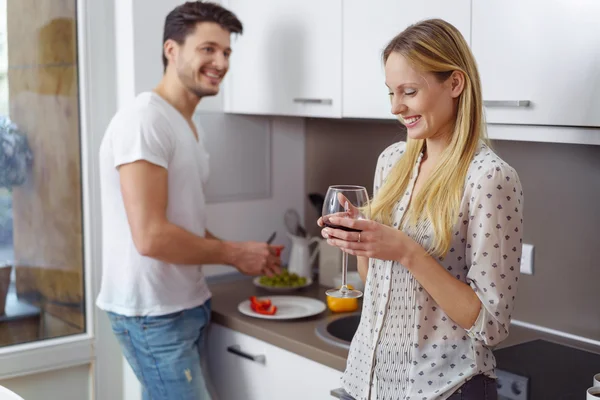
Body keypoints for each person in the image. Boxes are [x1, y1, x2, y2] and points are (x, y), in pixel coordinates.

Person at [319, 19, 523, 400]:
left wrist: (406, 251)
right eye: (391, 93)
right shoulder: (392, 161)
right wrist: (362, 240)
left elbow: (490, 326)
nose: (396, 107)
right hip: (367, 381)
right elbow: (375, 282)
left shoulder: (490, 178)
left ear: (455, 84)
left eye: (409, 91)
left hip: (445, 388)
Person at [96, 2, 282, 399]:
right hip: (153, 314)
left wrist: (246, 254)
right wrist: (233, 254)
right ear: (172, 50)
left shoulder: (187, 126)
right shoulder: (145, 121)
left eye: (227, 52)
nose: (220, 62)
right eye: (208, 49)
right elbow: (151, 237)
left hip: (184, 304)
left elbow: (183, 224)